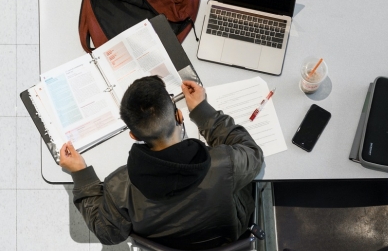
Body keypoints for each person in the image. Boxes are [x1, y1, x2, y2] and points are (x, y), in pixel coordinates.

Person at [58, 76, 264, 249]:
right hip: (225, 239)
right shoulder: (224, 163)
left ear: (132, 135)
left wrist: (82, 176)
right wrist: (203, 112)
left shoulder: (118, 187)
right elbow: (254, 155)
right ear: (179, 115)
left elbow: (107, 233)